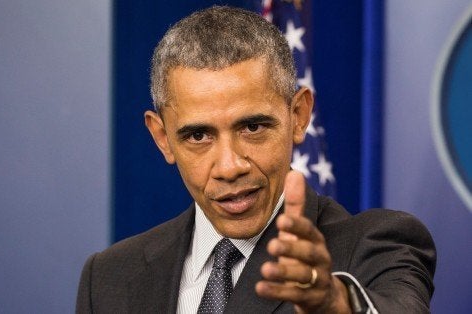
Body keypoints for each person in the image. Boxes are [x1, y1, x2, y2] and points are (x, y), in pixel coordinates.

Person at [76, 6, 435, 313]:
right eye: (198, 135)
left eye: (252, 126)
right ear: (162, 138)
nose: (230, 167)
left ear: (298, 116)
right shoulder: (108, 277)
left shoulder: (379, 245)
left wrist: (336, 305)